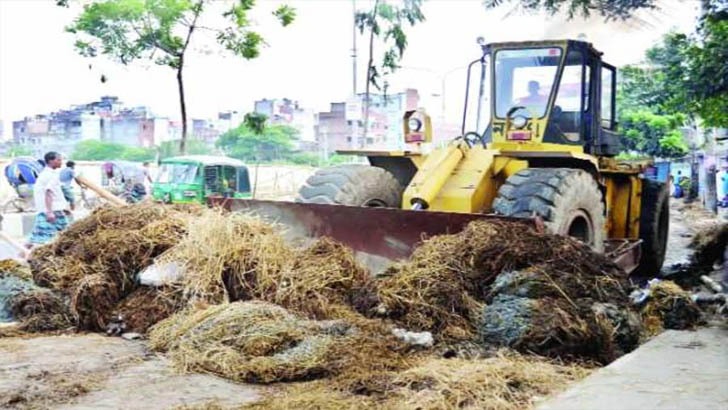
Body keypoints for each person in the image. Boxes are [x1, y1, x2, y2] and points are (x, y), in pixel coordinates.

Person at [29, 152, 70, 245]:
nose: (61, 162)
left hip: (50, 209)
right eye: (58, 160)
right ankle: (24, 255)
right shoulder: (50, 175)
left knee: (37, 236)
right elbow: (48, 192)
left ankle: (22, 256)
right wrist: (49, 212)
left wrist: (64, 207)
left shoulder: (48, 173)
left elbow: (56, 193)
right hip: (52, 210)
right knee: (67, 234)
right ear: (51, 161)